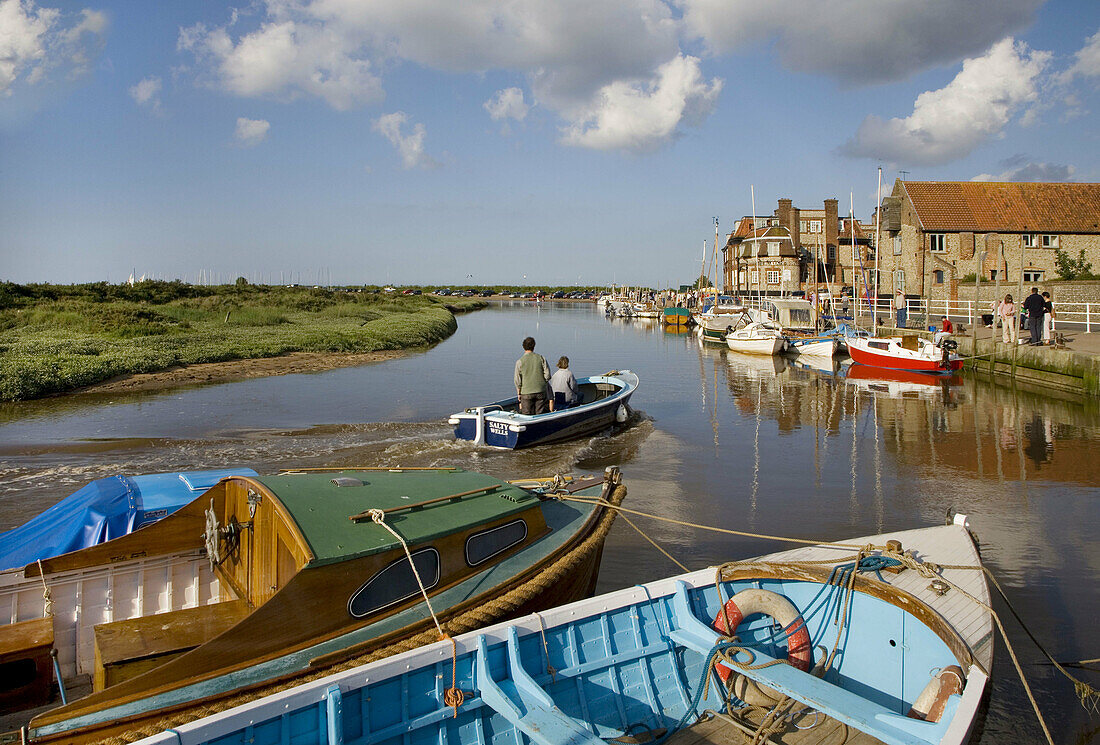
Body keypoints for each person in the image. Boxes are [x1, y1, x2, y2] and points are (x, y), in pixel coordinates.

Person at [514, 337, 550, 414]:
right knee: (539, 414)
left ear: (523, 347)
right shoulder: (541, 358)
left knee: (526, 415)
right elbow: (548, 375)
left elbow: (517, 381)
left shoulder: (519, 362)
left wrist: (519, 393)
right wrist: (542, 383)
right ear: (534, 346)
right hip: (540, 391)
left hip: (526, 392)